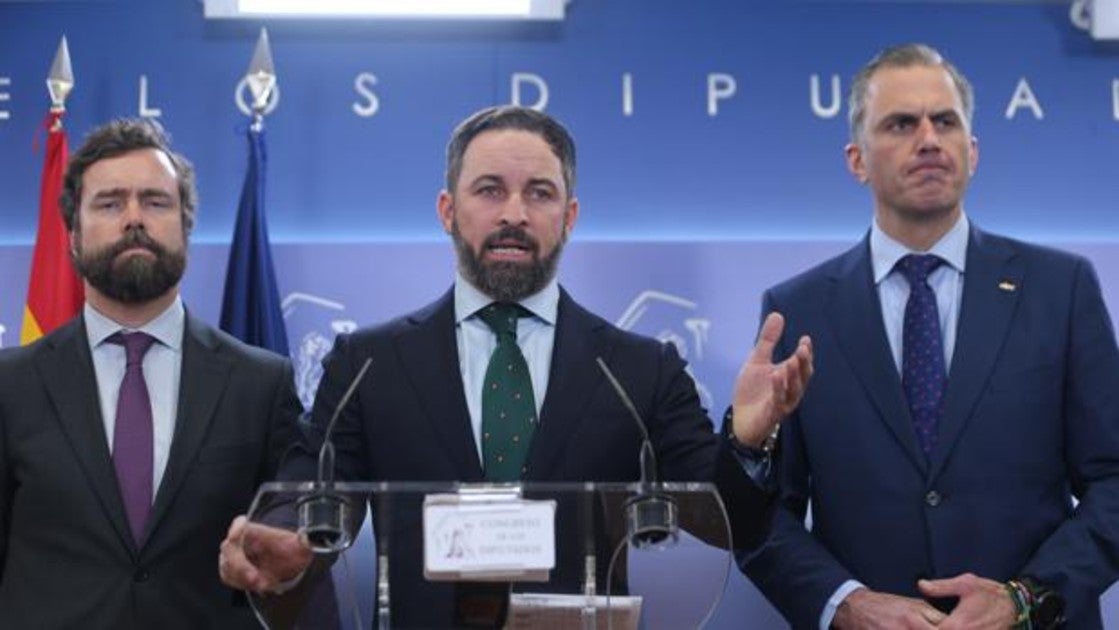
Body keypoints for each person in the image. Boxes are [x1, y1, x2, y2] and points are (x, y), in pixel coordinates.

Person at [219, 105, 813, 626]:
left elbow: (722, 519)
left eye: (539, 193)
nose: (515, 214)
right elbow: (308, 490)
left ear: (570, 216)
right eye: (489, 190)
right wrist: (282, 535)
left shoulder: (638, 370)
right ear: (447, 210)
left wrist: (747, 438)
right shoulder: (368, 365)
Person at [741, 43, 1119, 629]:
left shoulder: (1061, 290)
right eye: (899, 123)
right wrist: (845, 602)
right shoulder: (796, 311)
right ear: (857, 160)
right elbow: (761, 515)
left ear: (972, 151)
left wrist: (1025, 597)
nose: (927, 139)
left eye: (945, 121)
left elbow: (1115, 482)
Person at [0, 119, 302, 629]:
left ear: (186, 226)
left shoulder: (261, 383)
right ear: (72, 236)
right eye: (110, 203)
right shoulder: (11, 386)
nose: (134, 218)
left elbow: (290, 545)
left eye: (156, 202)